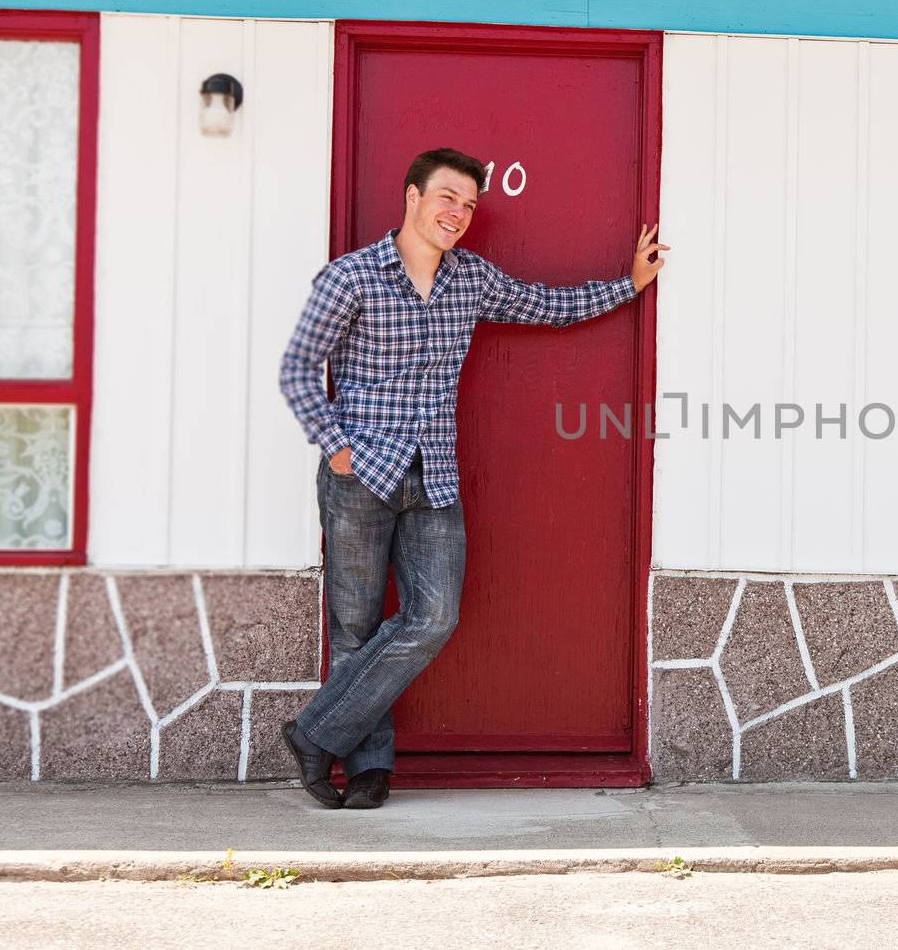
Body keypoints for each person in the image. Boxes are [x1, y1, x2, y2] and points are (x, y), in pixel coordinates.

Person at [277, 147, 667, 809]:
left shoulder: (471, 279)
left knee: (433, 614)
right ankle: (366, 767)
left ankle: (316, 734)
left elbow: (546, 305)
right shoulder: (351, 278)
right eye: (446, 197)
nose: (457, 213)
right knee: (354, 625)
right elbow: (297, 369)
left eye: (468, 204)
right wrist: (337, 447)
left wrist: (627, 284)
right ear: (412, 196)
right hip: (359, 476)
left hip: (434, 478)